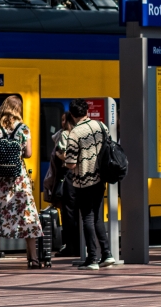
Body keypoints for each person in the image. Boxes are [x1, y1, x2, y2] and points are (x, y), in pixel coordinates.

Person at [0, 96, 43, 270]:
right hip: (18, 180)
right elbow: (28, 154)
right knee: (27, 214)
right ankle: (33, 259)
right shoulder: (24, 129)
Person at [63, 99, 113, 270]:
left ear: (72, 115)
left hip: (84, 180)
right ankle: (107, 254)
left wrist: (64, 159)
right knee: (97, 216)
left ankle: (92, 258)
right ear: (87, 111)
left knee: (87, 217)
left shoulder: (75, 133)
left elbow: (71, 163)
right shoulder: (101, 126)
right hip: (101, 178)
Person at [52, 112, 80, 257]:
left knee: (68, 213)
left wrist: (58, 154)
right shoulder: (78, 133)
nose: (62, 122)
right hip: (77, 178)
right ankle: (78, 245)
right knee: (76, 213)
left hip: (67, 176)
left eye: (64, 120)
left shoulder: (64, 135)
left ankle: (70, 246)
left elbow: (64, 155)